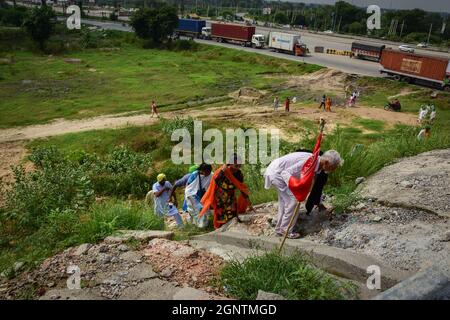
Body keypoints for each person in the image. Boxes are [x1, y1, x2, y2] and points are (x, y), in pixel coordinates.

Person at [264, 150, 343, 239]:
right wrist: (294, 187)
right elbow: (285, 173)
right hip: (277, 173)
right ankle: (285, 230)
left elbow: (316, 186)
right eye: (333, 167)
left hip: (277, 171)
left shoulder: (317, 165)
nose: (333, 170)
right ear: (326, 162)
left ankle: (280, 229)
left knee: (285, 202)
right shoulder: (309, 162)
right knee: (293, 200)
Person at [199, 154, 252, 229]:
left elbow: (242, 188)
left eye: (240, 164)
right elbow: (216, 181)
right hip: (220, 197)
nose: (238, 166)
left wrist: (248, 202)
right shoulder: (223, 171)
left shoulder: (239, 174)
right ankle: (221, 230)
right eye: (236, 164)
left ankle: (232, 230)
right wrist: (222, 171)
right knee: (222, 215)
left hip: (231, 197)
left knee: (233, 213)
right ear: (230, 163)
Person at [185, 163, 213, 228]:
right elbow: (189, 186)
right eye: (207, 172)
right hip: (192, 195)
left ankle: (203, 225)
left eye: (209, 171)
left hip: (202, 194)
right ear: (202, 170)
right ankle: (200, 226)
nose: (208, 173)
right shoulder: (195, 175)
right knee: (198, 209)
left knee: (204, 209)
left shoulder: (211, 175)